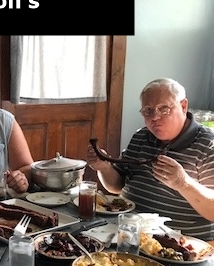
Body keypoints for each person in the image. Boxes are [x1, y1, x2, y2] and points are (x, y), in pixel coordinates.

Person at [86, 78, 214, 242]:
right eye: (148, 110)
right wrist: (104, 168)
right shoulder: (141, 137)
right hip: (130, 235)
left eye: (164, 109)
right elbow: (116, 186)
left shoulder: (208, 145)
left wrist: (183, 183)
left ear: (183, 106)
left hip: (184, 244)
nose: (155, 117)